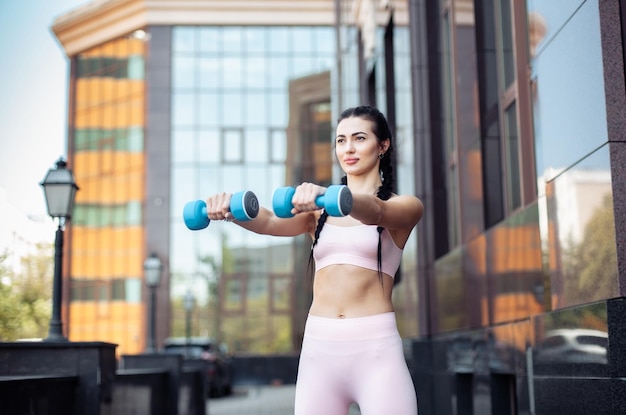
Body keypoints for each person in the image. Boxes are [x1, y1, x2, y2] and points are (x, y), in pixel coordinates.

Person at [205, 105, 424, 414]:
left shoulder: (405, 206)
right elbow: (268, 221)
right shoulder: (318, 214)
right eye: (340, 140)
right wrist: (232, 211)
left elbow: (376, 211)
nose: (348, 148)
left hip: (375, 351)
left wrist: (334, 195)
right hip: (319, 351)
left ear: (383, 145)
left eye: (359, 138)